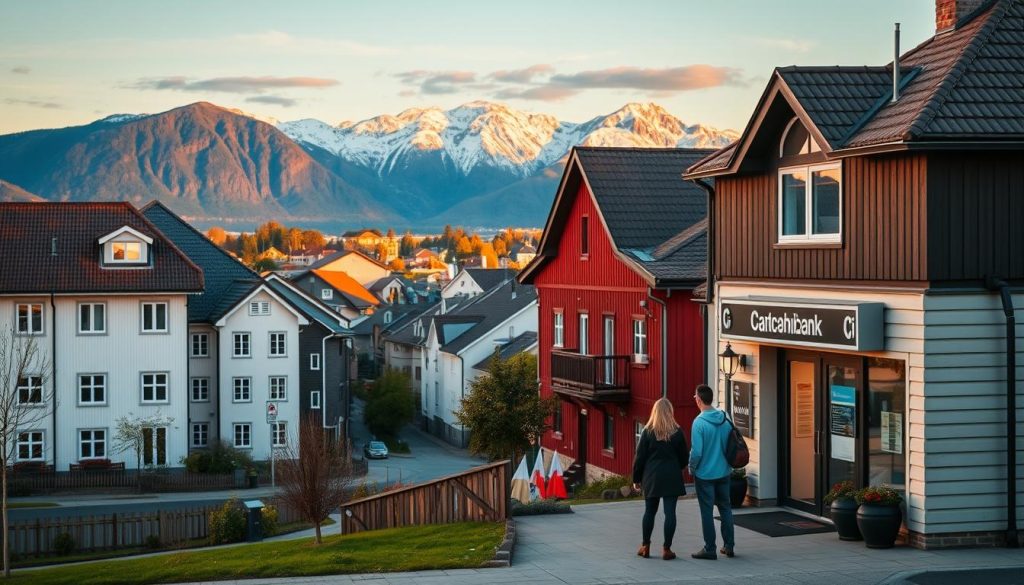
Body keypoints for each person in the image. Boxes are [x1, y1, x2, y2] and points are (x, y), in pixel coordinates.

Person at [632, 397, 689, 560]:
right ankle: (667, 549)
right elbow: (684, 457)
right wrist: (678, 467)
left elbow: (639, 458)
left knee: (649, 512)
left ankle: (645, 546)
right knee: (670, 513)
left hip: (652, 477)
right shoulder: (677, 432)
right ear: (670, 412)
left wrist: (636, 478)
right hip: (671, 475)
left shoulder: (647, 432)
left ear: (654, 412)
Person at [689, 384, 736, 559]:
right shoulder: (725, 418)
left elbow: (697, 452)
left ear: (699, 400)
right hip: (724, 472)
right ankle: (729, 545)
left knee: (707, 512)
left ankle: (710, 548)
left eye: (695, 397)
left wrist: (691, 468)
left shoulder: (699, 423)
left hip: (705, 475)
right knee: (725, 508)